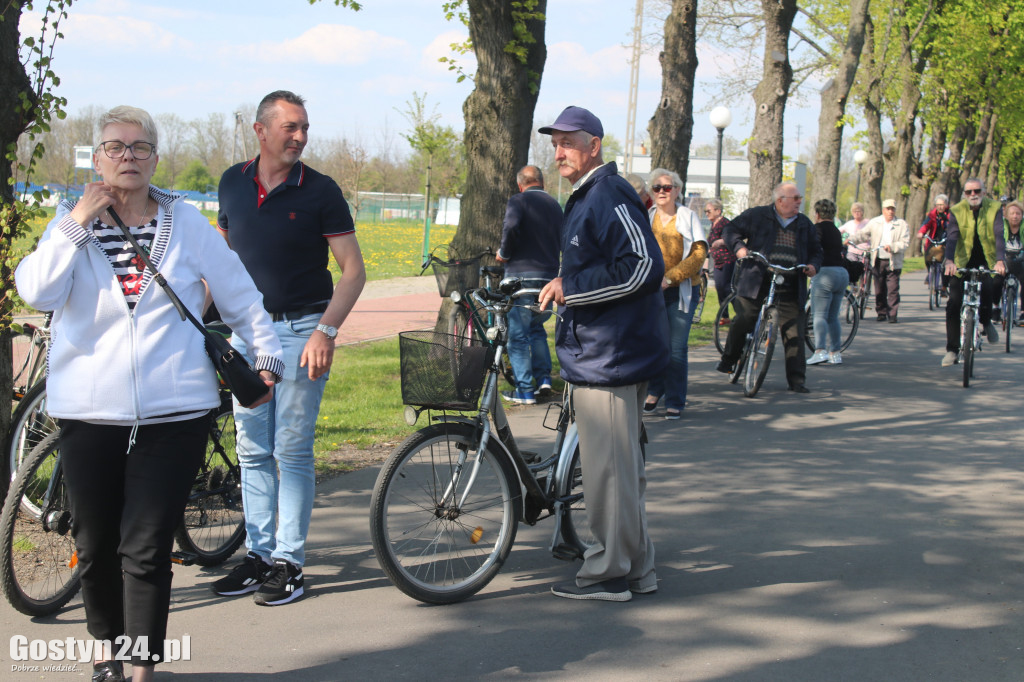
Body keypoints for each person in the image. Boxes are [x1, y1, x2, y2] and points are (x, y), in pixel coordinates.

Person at [15, 105, 283, 682]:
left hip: (175, 409)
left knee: (147, 544)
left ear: (155, 157)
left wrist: (266, 354)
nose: (127, 157)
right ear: (97, 156)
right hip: (88, 409)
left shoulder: (185, 222)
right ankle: (104, 648)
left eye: (139, 147)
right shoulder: (71, 221)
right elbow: (37, 289)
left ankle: (141, 669)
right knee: (94, 545)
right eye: (114, 147)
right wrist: (74, 224)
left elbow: (239, 292)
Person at [211, 91, 366, 606]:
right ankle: (258, 557)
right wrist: (197, 319)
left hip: (303, 333)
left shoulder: (320, 191)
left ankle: (290, 565)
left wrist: (327, 331)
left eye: (304, 128)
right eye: (290, 128)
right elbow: (222, 261)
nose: (299, 137)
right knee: (252, 451)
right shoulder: (232, 182)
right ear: (260, 130)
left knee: (291, 450)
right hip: (247, 336)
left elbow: (353, 271)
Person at [537, 105, 668, 601]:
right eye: (555, 143)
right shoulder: (590, 195)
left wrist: (573, 287)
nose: (559, 151)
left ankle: (609, 574)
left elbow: (642, 267)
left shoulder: (607, 193)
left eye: (569, 141)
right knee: (621, 473)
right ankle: (637, 569)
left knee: (609, 477)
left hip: (611, 357)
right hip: (604, 353)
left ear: (594, 144)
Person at [718, 183, 821, 392]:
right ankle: (729, 359)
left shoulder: (804, 224)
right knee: (745, 318)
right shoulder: (758, 215)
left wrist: (813, 266)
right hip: (757, 279)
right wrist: (739, 248)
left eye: (800, 198)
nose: (799, 201)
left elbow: (816, 250)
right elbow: (730, 230)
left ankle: (797, 380)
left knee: (794, 332)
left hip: (791, 281)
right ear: (780, 200)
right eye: (796, 198)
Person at [643, 168, 707, 419]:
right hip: (651, 291)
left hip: (681, 290)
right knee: (655, 344)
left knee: (676, 348)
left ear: (677, 190)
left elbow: (699, 254)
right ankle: (654, 389)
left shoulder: (687, 216)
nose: (661, 192)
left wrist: (670, 278)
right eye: (656, 187)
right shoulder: (647, 216)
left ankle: (675, 399)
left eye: (667, 187)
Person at [496, 165, 562, 404]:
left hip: (520, 275)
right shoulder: (555, 205)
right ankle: (544, 378)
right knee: (537, 329)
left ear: (520, 184)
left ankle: (524, 390)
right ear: (542, 182)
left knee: (518, 335)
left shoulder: (519, 200)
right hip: (548, 276)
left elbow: (511, 227)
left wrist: (504, 252)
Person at [941, 178, 1006, 366]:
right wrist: (950, 261)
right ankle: (952, 350)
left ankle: (986, 321)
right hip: (962, 260)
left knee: (988, 288)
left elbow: (999, 235)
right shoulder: (957, 210)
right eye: (969, 192)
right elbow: (952, 237)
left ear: (984, 192)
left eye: (977, 191)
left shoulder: (994, 208)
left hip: (987, 259)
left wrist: (1000, 260)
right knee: (953, 302)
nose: (973, 195)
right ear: (964, 194)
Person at [847, 199, 910, 323]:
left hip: (893, 261)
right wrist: (851, 240)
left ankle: (892, 314)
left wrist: (892, 247)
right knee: (879, 288)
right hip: (878, 259)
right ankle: (881, 312)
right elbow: (863, 234)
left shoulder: (901, 224)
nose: (890, 211)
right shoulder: (875, 222)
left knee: (893, 289)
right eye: (888, 209)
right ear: (883, 210)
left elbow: (905, 243)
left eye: (892, 209)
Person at [807, 199, 850, 366]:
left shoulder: (818, 228)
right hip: (841, 273)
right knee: (833, 316)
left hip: (825, 273)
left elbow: (814, 246)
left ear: (817, 214)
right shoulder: (836, 231)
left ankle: (819, 350)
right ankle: (835, 352)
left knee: (819, 315)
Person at [705, 198, 736, 324]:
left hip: (728, 259)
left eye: (709, 211)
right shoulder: (713, 225)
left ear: (718, 211)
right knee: (719, 287)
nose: (707, 213)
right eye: (705, 211)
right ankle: (725, 316)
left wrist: (720, 242)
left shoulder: (725, 223)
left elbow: (731, 238)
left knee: (727, 288)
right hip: (717, 261)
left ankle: (742, 313)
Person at [995, 200, 1024, 323]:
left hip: (1021, 262)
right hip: (1004, 261)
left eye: (1018, 213)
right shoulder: (1001, 227)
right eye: (1012, 213)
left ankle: (1023, 312)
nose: (1015, 216)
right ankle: (995, 308)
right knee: (996, 281)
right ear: (1006, 215)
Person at [919, 194, 951, 295]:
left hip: (946, 241)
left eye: (942, 204)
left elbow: (954, 226)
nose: (940, 207)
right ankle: (930, 273)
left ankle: (944, 287)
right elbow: (925, 225)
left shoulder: (951, 214)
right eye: (938, 205)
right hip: (934, 240)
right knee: (928, 257)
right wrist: (921, 233)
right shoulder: (932, 215)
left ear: (946, 204)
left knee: (945, 264)